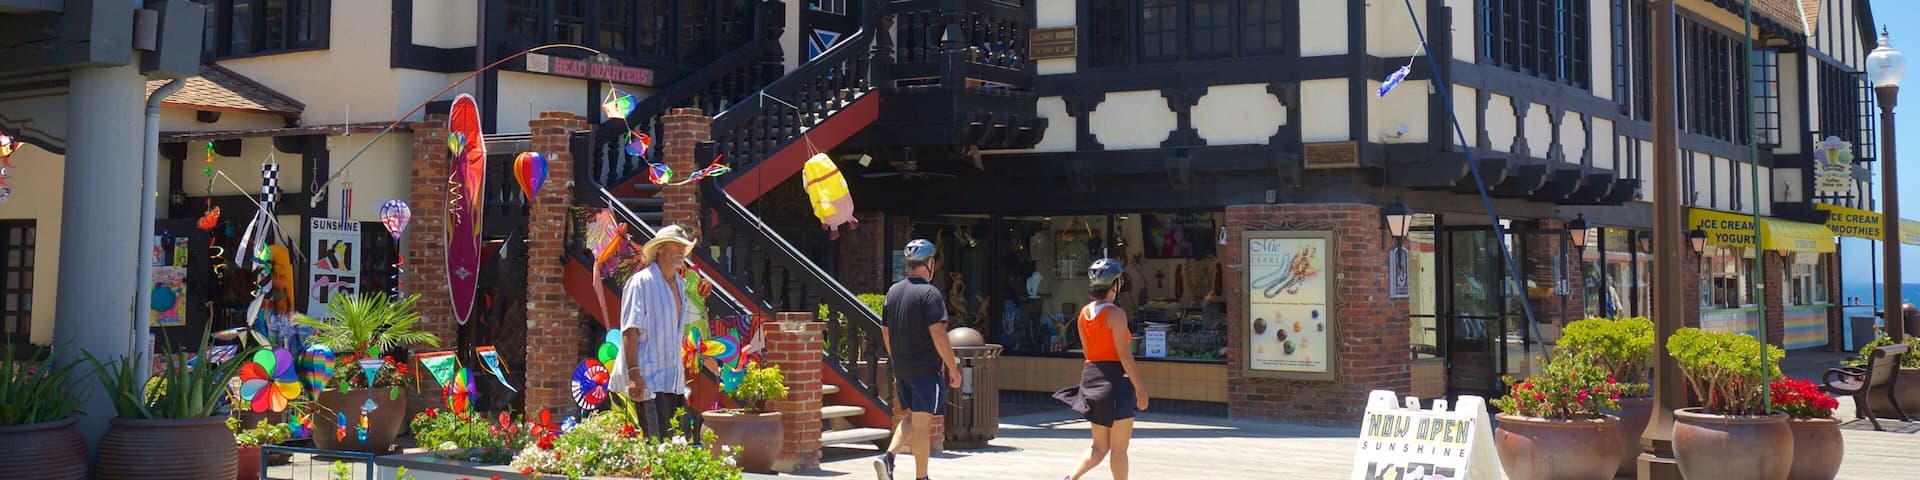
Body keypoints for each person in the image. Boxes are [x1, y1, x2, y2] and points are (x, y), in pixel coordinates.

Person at [1052, 258, 1149, 480]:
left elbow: (1088, 352)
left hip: (1091, 378)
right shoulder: (1116, 314)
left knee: (1098, 447)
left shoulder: (1084, 313)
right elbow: (1124, 354)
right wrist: (1140, 388)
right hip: (1117, 381)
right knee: (1119, 450)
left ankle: (1070, 479)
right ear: (1114, 284)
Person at [874, 239, 962, 480]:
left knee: (911, 417)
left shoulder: (893, 291)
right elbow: (938, 333)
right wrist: (952, 368)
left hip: (902, 368)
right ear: (930, 263)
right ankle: (921, 477)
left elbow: (885, 330)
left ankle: (888, 457)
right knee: (923, 426)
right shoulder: (930, 293)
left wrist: (896, 357)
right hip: (925, 369)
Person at [614, 224, 699, 438]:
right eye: (675, 244)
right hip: (648, 379)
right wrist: (634, 374)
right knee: (657, 446)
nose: (681, 250)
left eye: (683, 246)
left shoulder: (680, 284)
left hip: (674, 380)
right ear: (660, 248)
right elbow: (629, 331)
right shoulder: (641, 283)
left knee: (679, 447)